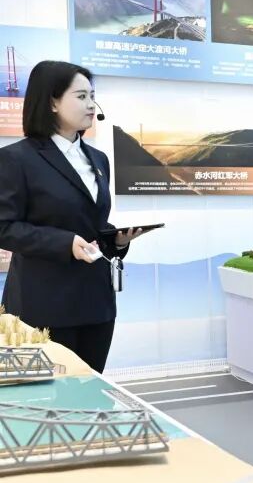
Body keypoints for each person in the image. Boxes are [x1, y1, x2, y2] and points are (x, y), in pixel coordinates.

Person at [0, 61, 146, 372]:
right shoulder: (15, 159)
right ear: (52, 102)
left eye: (93, 96)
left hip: (96, 302)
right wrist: (65, 243)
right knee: (47, 396)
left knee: (90, 389)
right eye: (81, 96)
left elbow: (90, 221)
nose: (92, 105)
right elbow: (4, 228)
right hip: (42, 304)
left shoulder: (98, 159)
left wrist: (117, 240)